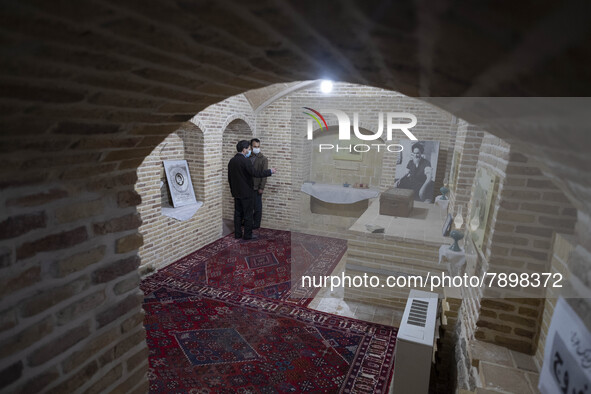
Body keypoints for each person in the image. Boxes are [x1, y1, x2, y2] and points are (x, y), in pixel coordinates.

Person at [228, 140, 276, 240]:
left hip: (236, 193)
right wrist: (269, 171)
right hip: (246, 193)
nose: (250, 151)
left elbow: (230, 178)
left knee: (237, 214)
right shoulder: (246, 161)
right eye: (249, 149)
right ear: (244, 149)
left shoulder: (231, 161)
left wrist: (233, 191)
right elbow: (255, 173)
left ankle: (237, 234)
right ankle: (247, 235)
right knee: (248, 215)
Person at [249, 138, 268, 230]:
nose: (257, 148)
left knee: (257, 207)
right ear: (251, 147)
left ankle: (256, 224)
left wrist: (262, 187)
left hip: (257, 187)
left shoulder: (263, 159)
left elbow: (264, 175)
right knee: (248, 206)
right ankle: (248, 222)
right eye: (255, 146)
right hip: (247, 186)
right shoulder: (247, 157)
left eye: (258, 146)